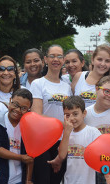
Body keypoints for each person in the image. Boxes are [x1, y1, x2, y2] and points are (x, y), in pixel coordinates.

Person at [48, 96, 110, 184]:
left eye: (75, 114)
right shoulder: (66, 134)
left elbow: (102, 155)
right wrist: (67, 133)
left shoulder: (92, 132)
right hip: (68, 180)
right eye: (67, 115)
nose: (71, 118)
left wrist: (108, 176)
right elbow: (62, 156)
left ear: (84, 113)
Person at [30, 44, 72, 184]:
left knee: (56, 180)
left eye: (59, 56)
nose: (56, 59)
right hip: (43, 141)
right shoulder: (38, 84)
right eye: (52, 56)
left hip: (62, 141)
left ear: (64, 59)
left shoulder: (67, 86)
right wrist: (63, 124)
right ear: (45, 59)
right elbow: (36, 115)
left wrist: (65, 130)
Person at [0, 88, 34, 184]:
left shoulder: (30, 126)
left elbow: (31, 157)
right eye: (15, 104)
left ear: (28, 110)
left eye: (23, 108)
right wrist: (21, 157)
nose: (17, 110)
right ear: (10, 101)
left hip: (19, 179)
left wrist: (28, 180)